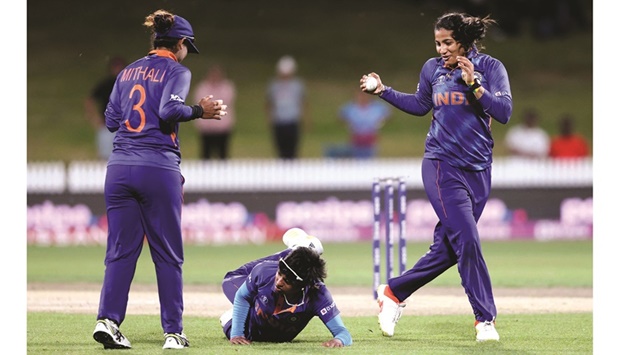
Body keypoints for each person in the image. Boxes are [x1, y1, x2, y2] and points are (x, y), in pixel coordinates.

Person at [360, 12, 512, 342]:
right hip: (441, 165)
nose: (441, 49)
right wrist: (384, 90)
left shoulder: (490, 68)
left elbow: (503, 113)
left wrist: (475, 85)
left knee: (450, 247)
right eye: (437, 43)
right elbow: (419, 105)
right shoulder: (432, 70)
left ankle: (393, 292)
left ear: (465, 42)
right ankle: (485, 320)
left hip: (480, 170)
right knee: (467, 239)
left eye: (448, 42)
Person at [92, 9, 227, 350]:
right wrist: (199, 110)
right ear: (180, 43)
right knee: (167, 254)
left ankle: (108, 321)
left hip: (119, 168)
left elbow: (110, 120)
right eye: (187, 47)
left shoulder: (126, 72)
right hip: (158, 167)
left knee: (120, 252)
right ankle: (173, 332)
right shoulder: (177, 70)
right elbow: (169, 110)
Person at [219, 228, 352, 348]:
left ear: (303, 285)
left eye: (286, 281)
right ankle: (298, 249)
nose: (278, 282)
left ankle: (300, 249)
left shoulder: (317, 293)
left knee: (287, 271)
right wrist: (236, 334)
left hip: (274, 323)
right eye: (279, 274)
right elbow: (242, 296)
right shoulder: (265, 271)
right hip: (240, 285)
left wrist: (339, 340)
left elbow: (343, 333)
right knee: (236, 282)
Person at [326, 90, 391, 159]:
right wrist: (350, 126)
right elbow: (341, 117)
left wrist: (379, 125)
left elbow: (387, 116)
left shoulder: (377, 107)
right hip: (356, 136)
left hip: (371, 137)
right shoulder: (350, 108)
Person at [84, 56, 127, 160]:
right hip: (107, 126)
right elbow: (89, 100)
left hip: (125, 126)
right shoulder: (106, 85)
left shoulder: (128, 85)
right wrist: (94, 118)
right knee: (105, 157)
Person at [265, 55, 308, 159]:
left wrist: (306, 118)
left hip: (293, 120)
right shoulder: (274, 86)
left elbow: (303, 102)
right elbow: (269, 103)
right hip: (279, 121)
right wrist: (269, 117)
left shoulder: (297, 85)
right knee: (280, 150)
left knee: (293, 150)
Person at [193, 64, 236, 159]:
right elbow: (201, 102)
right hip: (206, 127)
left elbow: (226, 101)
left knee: (223, 154)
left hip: (222, 126)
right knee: (205, 154)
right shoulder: (203, 87)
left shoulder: (226, 87)